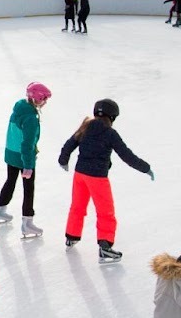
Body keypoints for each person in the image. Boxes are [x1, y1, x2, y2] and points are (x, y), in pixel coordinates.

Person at [58, 98, 154, 261]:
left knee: (77, 206)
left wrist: (63, 160)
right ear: (112, 116)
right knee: (105, 212)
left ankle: (71, 236)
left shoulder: (86, 126)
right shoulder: (110, 133)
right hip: (97, 178)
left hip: (80, 175)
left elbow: (69, 144)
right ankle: (105, 247)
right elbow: (126, 155)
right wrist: (146, 168)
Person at [0, 82, 51, 238]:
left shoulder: (19, 108)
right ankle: (27, 223)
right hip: (23, 157)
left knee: (10, 181)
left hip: (11, 153)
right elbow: (27, 143)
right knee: (28, 189)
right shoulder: (30, 118)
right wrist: (28, 165)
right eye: (44, 99)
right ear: (37, 98)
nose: (45, 102)